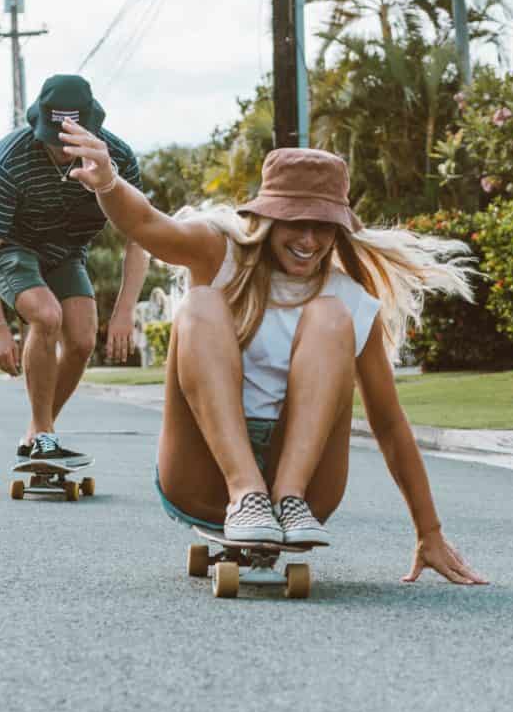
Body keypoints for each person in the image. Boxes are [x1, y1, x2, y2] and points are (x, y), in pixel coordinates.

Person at [59, 119, 488, 586]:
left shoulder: (350, 299)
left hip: (308, 490)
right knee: (200, 303)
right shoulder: (219, 254)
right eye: (295, 223)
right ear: (267, 217)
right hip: (202, 477)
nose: (309, 240)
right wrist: (108, 182)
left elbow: (388, 423)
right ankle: (246, 492)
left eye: (323, 227)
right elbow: (146, 224)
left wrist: (429, 532)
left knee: (331, 315)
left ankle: (286, 496)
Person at [0, 75, 150, 467]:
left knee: (82, 340)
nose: (63, 151)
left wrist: (125, 312)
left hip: (66, 246)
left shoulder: (117, 158)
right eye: (54, 140)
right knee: (47, 316)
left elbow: (141, 238)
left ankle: (37, 433)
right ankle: (44, 435)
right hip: (10, 241)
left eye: (70, 140)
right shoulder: (11, 158)